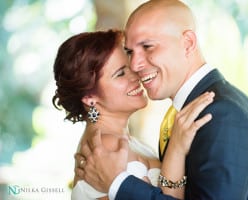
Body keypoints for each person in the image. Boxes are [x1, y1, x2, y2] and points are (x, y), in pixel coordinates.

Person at [75, 0, 248, 199]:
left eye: (148, 47)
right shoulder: (192, 113)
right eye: (130, 52)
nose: (135, 65)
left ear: (188, 43)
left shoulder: (222, 115)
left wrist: (118, 184)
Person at [52, 29, 214, 199]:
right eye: (120, 73)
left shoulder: (118, 140)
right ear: (90, 97)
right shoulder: (108, 148)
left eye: (130, 65)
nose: (136, 75)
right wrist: (177, 147)